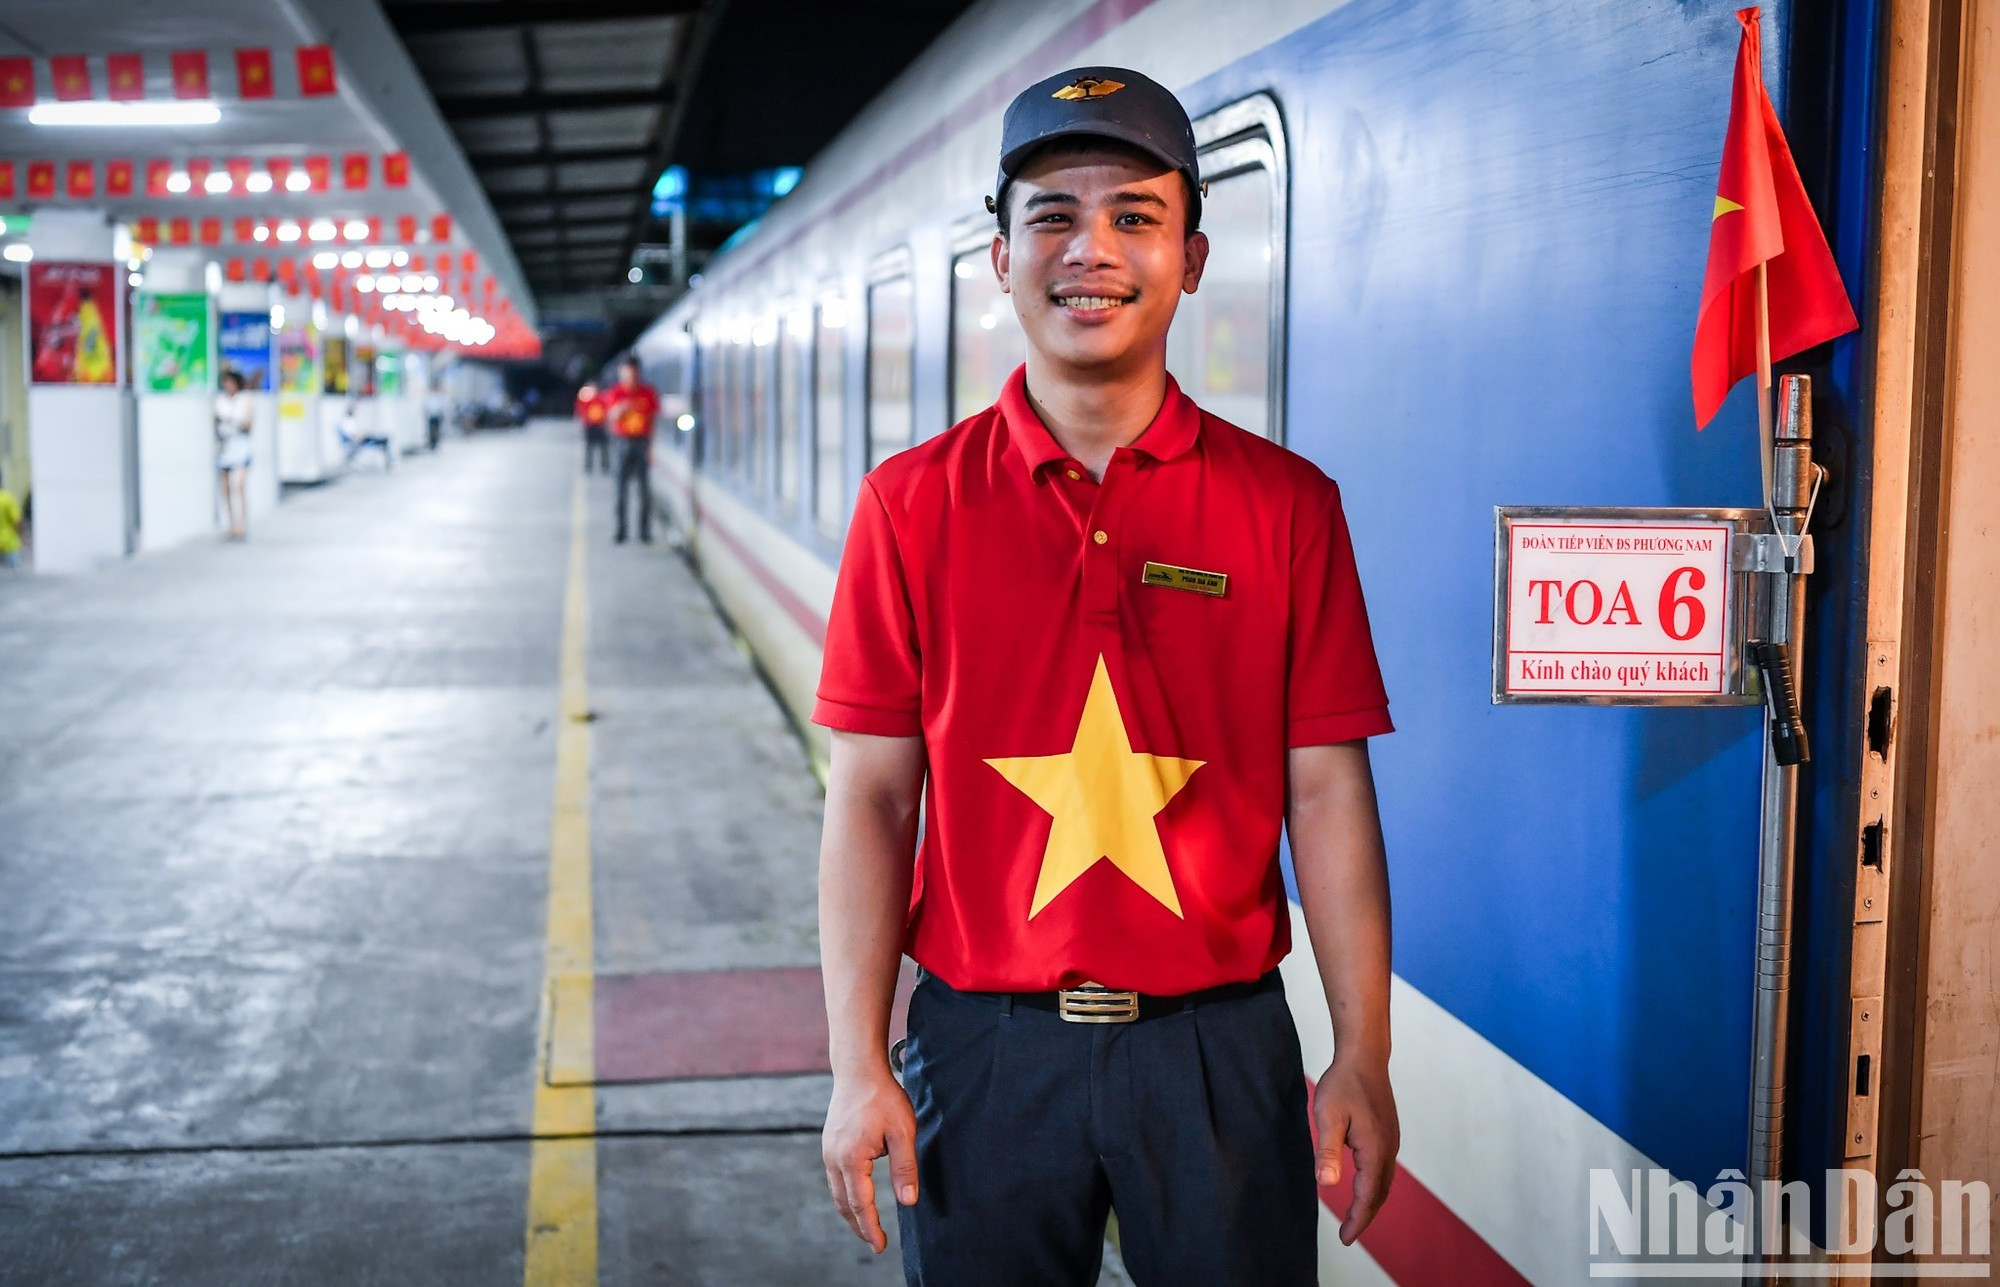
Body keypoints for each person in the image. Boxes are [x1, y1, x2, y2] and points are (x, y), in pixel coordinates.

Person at [814, 67, 1400, 1285]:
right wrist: (857, 1064)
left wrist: (1360, 1053)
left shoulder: (1287, 510)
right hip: (980, 1049)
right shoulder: (909, 506)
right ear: (997, 256)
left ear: (1190, 255)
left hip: (1217, 1053)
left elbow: (1327, 792)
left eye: (1133, 216)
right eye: (1051, 217)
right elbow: (872, 797)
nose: (1091, 250)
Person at [601, 358, 660, 543]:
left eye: (634, 373)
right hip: (622, 441)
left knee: (644, 490)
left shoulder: (648, 393)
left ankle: (644, 532)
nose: (631, 377)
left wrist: (651, 447)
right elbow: (608, 417)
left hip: (641, 441)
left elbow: (652, 421)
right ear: (621, 373)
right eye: (627, 373)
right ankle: (620, 530)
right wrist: (620, 409)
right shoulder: (615, 393)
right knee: (620, 490)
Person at [213, 370, 255, 541]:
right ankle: (231, 523)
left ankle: (242, 523)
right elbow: (214, 423)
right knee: (226, 489)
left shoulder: (245, 400)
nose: (227, 385)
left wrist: (232, 421)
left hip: (241, 448)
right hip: (224, 449)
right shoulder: (219, 400)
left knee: (239, 486)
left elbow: (249, 423)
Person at [576, 381, 611, 474]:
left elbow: (607, 409)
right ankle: (588, 466)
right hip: (590, 426)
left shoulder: (602, 398)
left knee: (604, 447)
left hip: (600, 426)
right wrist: (582, 423)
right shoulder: (585, 399)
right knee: (589, 447)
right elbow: (580, 410)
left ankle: (605, 466)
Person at [0, 470, 23, 569]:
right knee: (16, 579)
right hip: (9, 544)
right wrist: (20, 534)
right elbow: (17, 521)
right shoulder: (7, 498)